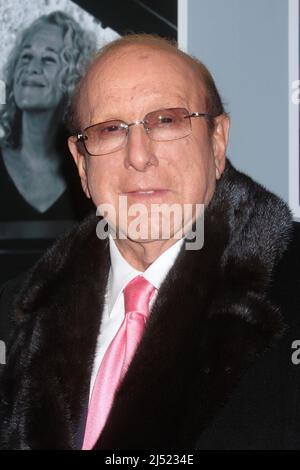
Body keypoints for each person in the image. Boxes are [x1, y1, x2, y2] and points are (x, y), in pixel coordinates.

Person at [0, 34, 299, 450]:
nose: (139, 155)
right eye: (110, 129)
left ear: (217, 143)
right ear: (81, 164)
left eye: (167, 121)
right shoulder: (13, 318)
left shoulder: (291, 288)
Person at [0, 11, 94, 225]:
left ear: (74, 77)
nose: (31, 68)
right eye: (26, 56)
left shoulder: (92, 171)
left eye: (49, 59)